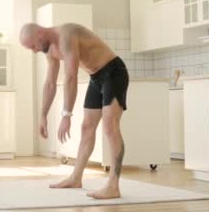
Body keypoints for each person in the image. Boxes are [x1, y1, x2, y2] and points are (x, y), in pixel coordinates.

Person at [19, 22, 129, 199]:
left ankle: (113, 186)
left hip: (114, 72)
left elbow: (71, 76)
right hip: (96, 77)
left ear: (39, 34)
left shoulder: (66, 34)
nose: (33, 51)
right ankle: (75, 178)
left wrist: (66, 115)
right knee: (87, 128)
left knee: (110, 126)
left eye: (32, 46)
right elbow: (50, 83)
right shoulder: (49, 49)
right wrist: (43, 115)